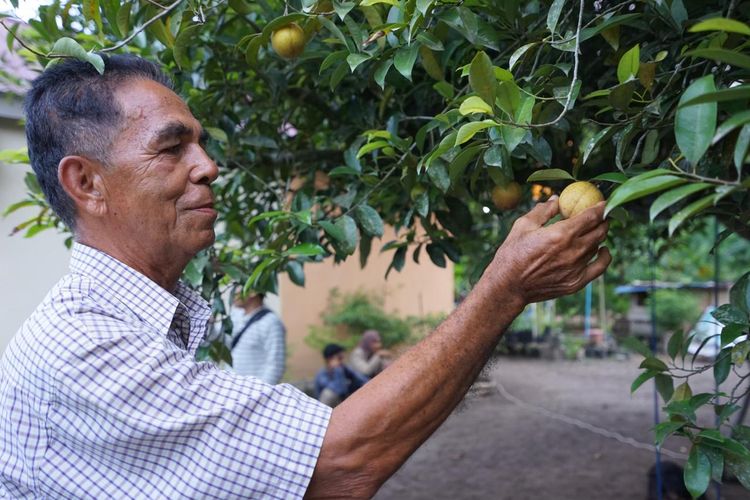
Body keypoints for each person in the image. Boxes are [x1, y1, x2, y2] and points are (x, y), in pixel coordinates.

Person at [0, 54, 610, 498]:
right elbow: (341, 460)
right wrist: (504, 288)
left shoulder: (126, 321)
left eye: (202, 146)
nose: (209, 167)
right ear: (86, 183)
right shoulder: (85, 346)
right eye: (172, 148)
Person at [228, 291, 286, 384]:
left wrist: (259, 394)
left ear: (252, 292)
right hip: (232, 390)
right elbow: (222, 341)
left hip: (253, 393)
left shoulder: (271, 322)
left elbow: (275, 366)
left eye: (237, 286)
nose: (233, 292)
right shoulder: (235, 316)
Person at [314, 343, 368, 408]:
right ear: (329, 359)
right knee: (328, 393)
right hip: (328, 407)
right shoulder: (322, 375)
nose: (342, 361)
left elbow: (362, 379)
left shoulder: (343, 368)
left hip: (341, 403)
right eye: (339, 358)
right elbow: (338, 389)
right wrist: (337, 369)